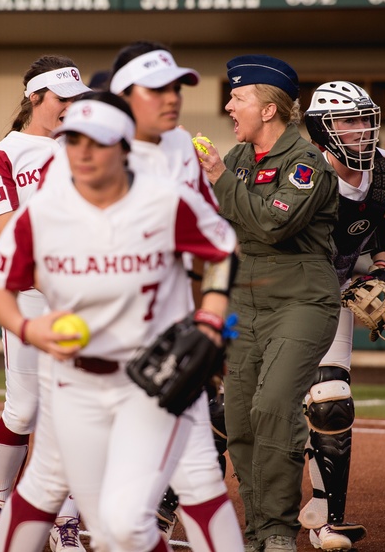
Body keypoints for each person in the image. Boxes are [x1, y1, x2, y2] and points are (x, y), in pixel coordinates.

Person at [0, 92, 239, 552]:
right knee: (99, 521)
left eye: (95, 141)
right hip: (73, 385)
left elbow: (221, 247)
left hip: (144, 384)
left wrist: (210, 315)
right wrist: (29, 329)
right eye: (71, 139)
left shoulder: (163, 201)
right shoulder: (43, 212)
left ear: (123, 147)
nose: (81, 151)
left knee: (122, 524)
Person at [195, 54, 341, 552]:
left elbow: (272, 224)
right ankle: (258, 533)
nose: (229, 106)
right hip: (243, 301)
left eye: (238, 97)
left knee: (274, 405)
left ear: (269, 109)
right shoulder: (236, 161)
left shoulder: (307, 163)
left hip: (301, 299)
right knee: (239, 419)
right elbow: (213, 233)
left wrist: (217, 177)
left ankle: (278, 531)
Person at [108, 41, 241, 548]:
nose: (173, 98)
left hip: (173, 337)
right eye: (157, 88)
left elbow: (215, 242)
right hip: (104, 348)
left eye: (176, 87)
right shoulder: (94, 151)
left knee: (199, 479)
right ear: (125, 95)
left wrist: (213, 321)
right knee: (72, 487)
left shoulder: (183, 145)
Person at [0, 54, 91, 552]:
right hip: (31, 297)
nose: (70, 109)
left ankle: (65, 518)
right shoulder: (4, 155)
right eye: (62, 100)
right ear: (34, 97)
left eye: (76, 100)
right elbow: (6, 240)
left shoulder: (88, 148)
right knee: (22, 410)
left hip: (87, 297)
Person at [296, 80, 385, 551]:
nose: (361, 130)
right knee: (232, 416)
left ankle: (325, 519)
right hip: (281, 297)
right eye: (348, 120)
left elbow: (378, 220)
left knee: (333, 402)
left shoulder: (382, 170)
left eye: (364, 118)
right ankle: (162, 511)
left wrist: (380, 267)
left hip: (333, 291)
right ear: (324, 129)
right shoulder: (303, 172)